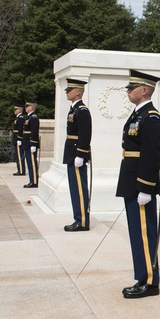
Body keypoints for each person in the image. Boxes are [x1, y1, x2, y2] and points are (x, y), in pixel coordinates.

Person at [117, 70, 160, 299]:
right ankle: (141, 276)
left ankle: (149, 282)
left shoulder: (152, 117)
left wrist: (146, 187)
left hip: (140, 183)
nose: (128, 90)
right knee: (137, 232)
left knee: (144, 233)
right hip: (131, 179)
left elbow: (152, 155)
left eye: (131, 87)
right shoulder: (138, 114)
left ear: (144, 90)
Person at [63, 78, 93, 232]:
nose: (67, 92)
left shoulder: (82, 110)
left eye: (70, 90)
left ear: (78, 92)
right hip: (71, 152)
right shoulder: (74, 109)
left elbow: (85, 134)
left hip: (76, 153)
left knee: (79, 188)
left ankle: (81, 221)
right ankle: (78, 218)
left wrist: (81, 154)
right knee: (74, 188)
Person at [21, 100, 40, 188]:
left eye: (27, 106)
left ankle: (34, 181)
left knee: (32, 163)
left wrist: (33, 144)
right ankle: (31, 180)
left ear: (31, 107)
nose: (25, 108)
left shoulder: (34, 117)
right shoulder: (28, 117)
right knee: (29, 163)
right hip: (27, 143)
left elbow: (34, 132)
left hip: (30, 143)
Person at [11, 103, 25, 176]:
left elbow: (20, 129)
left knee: (19, 155)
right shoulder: (18, 118)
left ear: (19, 110)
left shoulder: (21, 118)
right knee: (17, 155)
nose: (14, 111)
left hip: (18, 139)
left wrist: (19, 138)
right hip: (16, 138)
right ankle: (19, 169)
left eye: (16, 109)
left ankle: (21, 170)